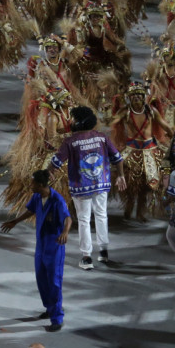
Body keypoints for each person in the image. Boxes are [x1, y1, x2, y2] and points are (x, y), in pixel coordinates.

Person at [48, 106, 125, 270]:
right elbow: (118, 158)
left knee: (84, 219)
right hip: (101, 183)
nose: (70, 121)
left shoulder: (70, 141)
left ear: (79, 121)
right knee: (101, 215)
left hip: (81, 186)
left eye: (72, 118)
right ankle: (104, 252)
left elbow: (56, 162)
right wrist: (121, 175)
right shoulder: (102, 137)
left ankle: (86, 257)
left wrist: (49, 172)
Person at [2, 170, 73, 331]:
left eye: (33, 183)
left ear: (40, 185)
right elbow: (31, 210)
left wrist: (65, 232)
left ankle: (57, 318)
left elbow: (67, 217)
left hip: (54, 246)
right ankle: (49, 308)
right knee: (41, 278)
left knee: (54, 282)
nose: (30, 185)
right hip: (41, 244)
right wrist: (15, 221)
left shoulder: (57, 200)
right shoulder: (36, 197)